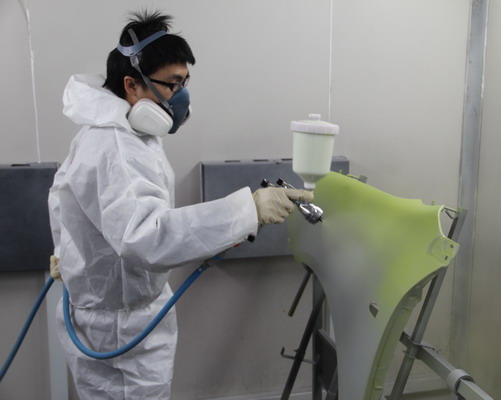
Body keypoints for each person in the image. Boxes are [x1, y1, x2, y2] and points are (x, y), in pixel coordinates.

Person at [47, 10, 312, 400]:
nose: (181, 95)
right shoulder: (116, 147)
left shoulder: (118, 132)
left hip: (115, 315)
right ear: (131, 84)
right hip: (121, 330)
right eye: (172, 84)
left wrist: (68, 254)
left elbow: (65, 196)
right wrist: (248, 210)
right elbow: (146, 237)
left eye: (184, 82)